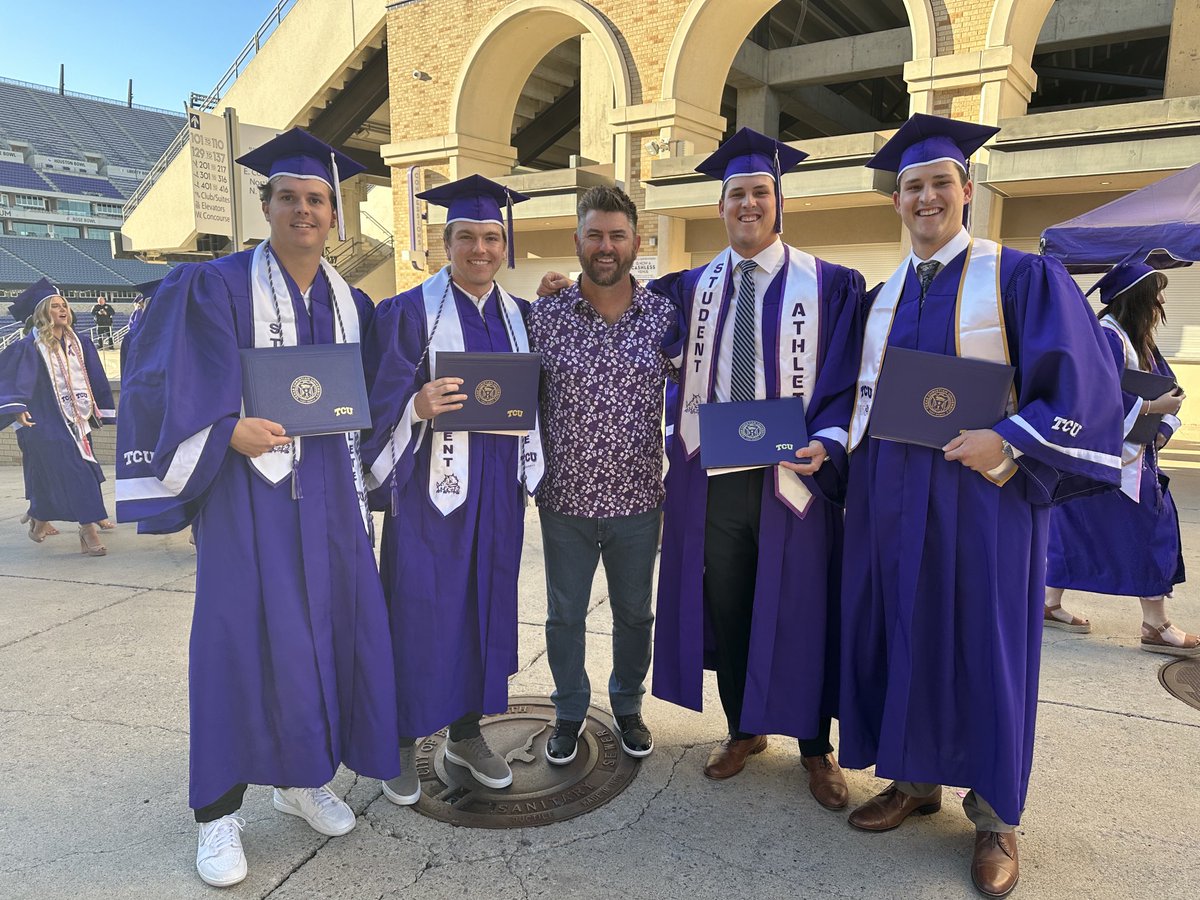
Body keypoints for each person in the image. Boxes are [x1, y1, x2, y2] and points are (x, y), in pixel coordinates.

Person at [838, 114, 1125, 898]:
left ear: (967, 189)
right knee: (904, 632)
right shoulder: (880, 297)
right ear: (896, 201)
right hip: (892, 497)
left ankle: (996, 816)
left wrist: (1011, 440)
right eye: (912, 186)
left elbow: (1082, 386)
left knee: (986, 648)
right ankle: (913, 780)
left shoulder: (1021, 277)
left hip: (984, 502)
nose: (926, 197)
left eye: (940, 183)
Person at [114, 128, 399, 888]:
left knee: (322, 636)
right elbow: (165, 376)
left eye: (317, 200)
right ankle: (217, 815)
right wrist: (223, 428)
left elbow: (373, 392)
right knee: (237, 643)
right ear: (266, 205)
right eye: (290, 198)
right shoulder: (217, 285)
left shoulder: (354, 303)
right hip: (250, 493)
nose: (304, 211)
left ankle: (301, 778)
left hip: (332, 499)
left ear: (334, 215)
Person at [648, 128, 865, 808]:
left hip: (794, 476)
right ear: (720, 206)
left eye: (760, 193)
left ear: (779, 203)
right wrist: (566, 295)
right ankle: (743, 727)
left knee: (804, 607)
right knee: (732, 605)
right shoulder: (687, 288)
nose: (748, 204)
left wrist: (827, 439)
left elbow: (848, 377)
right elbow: (624, 324)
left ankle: (815, 748)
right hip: (714, 478)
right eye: (736, 194)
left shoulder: (830, 285)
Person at [361, 174, 542, 805]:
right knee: (419, 609)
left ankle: (467, 734)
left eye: (492, 237)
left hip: (496, 493)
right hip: (430, 496)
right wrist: (415, 404)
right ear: (446, 242)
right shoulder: (409, 311)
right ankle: (401, 742)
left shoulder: (520, 316)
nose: (481, 249)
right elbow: (377, 401)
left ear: (505, 243)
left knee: (483, 612)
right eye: (466, 237)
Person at [527, 185, 674, 764]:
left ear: (637, 241)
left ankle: (628, 705)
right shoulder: (545, 317)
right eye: (595, 234)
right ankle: (567, 712)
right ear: (577, 241)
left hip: (639, 501)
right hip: (563, 501)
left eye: (617, 235)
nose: (606, 246)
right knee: (564, 614)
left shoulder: (664, 316)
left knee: (635, 613)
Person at [1045, 261, 1195, 654]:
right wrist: (1151, 408)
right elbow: (1092, 398)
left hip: (1132, 455)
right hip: (1109, 459)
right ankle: (1155, 625)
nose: (1162, 300)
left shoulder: (1138, 338)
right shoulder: (1109, 337)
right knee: (1150, 530)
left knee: (1073, 528)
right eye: (1156, 292)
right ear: (1138, 299)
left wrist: (1163, 423)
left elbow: (1166, 387)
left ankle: (1048, 603)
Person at [0, 278, 115, 554]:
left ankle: (43, 518)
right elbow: (16, 381)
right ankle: (86, 530)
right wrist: (17, 407)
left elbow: (96, 379)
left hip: (75, 420)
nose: (63, 310)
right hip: (44, 421)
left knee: (80, 470)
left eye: (64, 305)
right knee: (69, 471)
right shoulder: (29, 347)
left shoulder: (80, 343)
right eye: (55, 306)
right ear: (42, 313)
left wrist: (101, 410)